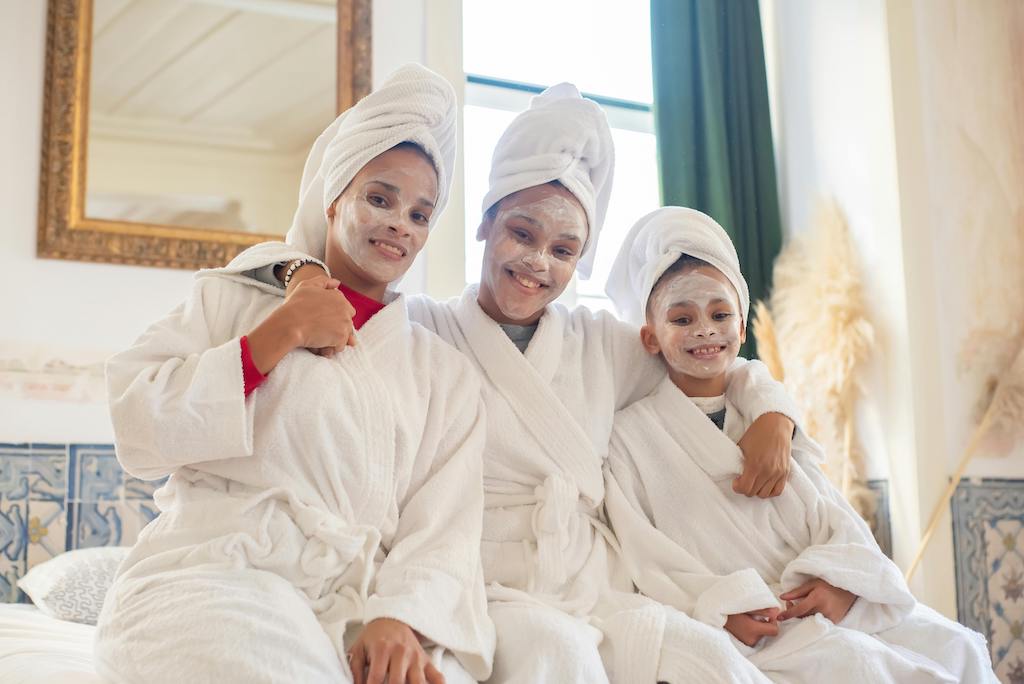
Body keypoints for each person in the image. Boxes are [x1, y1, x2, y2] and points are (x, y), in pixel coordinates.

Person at [222, 83, 799, 682]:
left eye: (564, 249)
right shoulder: (421, 331)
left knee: (714, 663)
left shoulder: (603, 344)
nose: (538, 263)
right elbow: (331, 283)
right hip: (479, 588)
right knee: (561, 657)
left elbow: (707, 360)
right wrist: (297, 270)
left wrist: (771, 411)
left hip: (596, 584)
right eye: (522, 234)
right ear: (485, 225)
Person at [96, 64, 495, 684]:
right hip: (213, 576)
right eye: (380, 198)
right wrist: (275, 337)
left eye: (420, 215)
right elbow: (137, 425)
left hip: (359, 612)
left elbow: (444, 527)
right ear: (333, 200)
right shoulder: (235, 302)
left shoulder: (441, 372)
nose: (399, 224)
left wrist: (401, 617)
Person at [602, 206, 997, 683]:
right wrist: (718, 610)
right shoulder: (629, 438)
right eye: (681, 318)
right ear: (650, 338)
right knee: (858, 666)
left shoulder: (771, 419)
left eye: (720, 313)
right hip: (746, 624)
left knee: (956, 646)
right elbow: (645, 555)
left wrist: (842, 585)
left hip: (817, 600)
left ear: (743, 328)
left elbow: (833, 513)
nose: (705, 329)